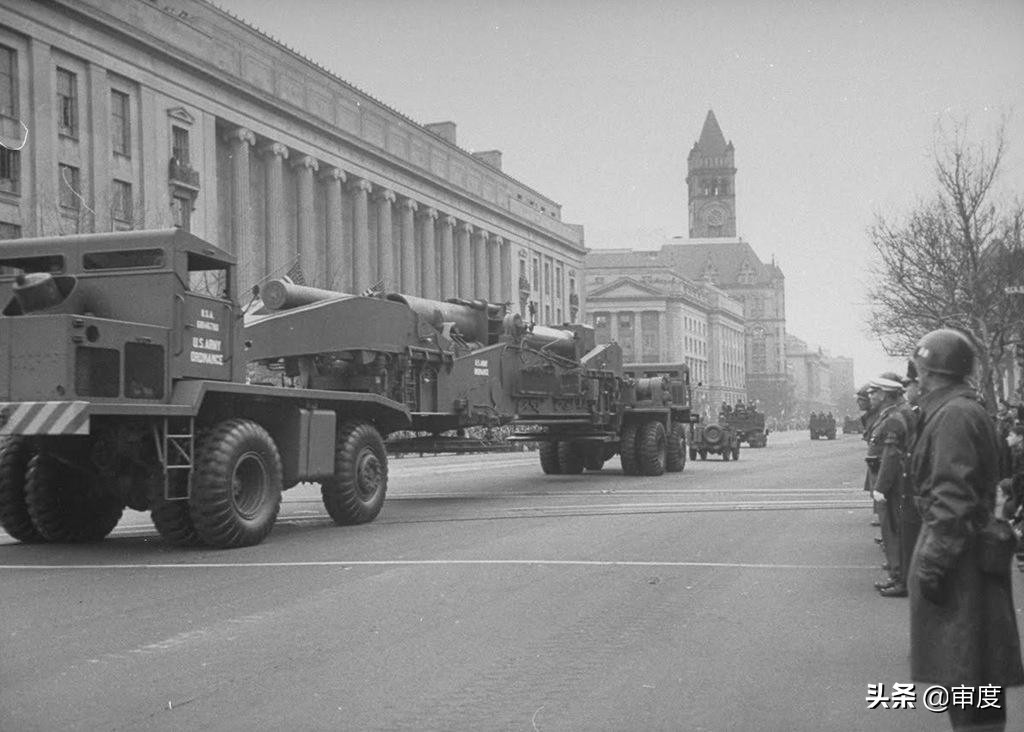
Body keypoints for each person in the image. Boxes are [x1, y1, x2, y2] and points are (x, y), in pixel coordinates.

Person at [907, 328, 1024, 731]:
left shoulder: (954, 413)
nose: (917, 378)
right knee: (972, 677)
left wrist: (932, 565)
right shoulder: (958, 408)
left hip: (961, 562)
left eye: (920, 370)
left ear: (929, 371)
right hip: (968, 554)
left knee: (969, 676)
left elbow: (952, 499)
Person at [866, 375, 910, 596]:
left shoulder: (892, 418)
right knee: (892, 529)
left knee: (893, 530)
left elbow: (891, 455)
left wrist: (881, 487)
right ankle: (897, 574)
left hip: (892, 483)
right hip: (890, 479)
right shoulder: (887, 416)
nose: (871, 396)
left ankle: (900, 578)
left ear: (884, 394)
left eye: (875, 392)